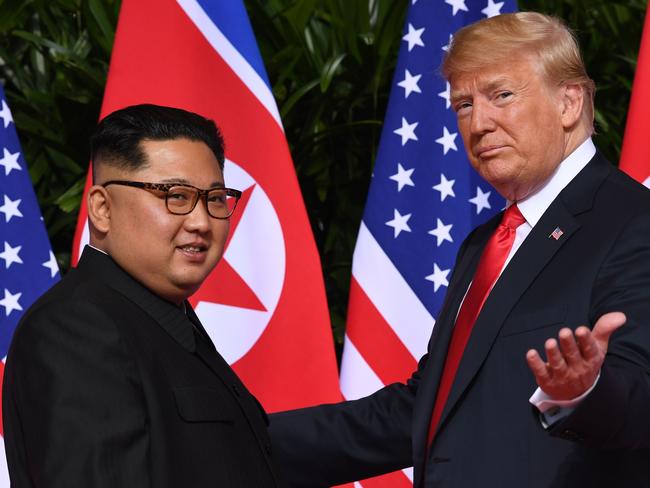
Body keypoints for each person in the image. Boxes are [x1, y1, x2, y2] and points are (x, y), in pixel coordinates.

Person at [269, 12, 650, 487]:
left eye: (501, 95)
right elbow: (429, 407)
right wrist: (243, 441)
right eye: (463, 104)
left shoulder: (634, 222)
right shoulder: (484, 241)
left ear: (569, 102)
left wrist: (584, 392)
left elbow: (640, 397)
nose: (478, 123)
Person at [2, 104, 282, 487]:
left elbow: (242, 449)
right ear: (102, 208)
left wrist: (391, 418)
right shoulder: (74, 329)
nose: (201, 222)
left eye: (215, 198)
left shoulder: (157, 314)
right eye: (175, 195)